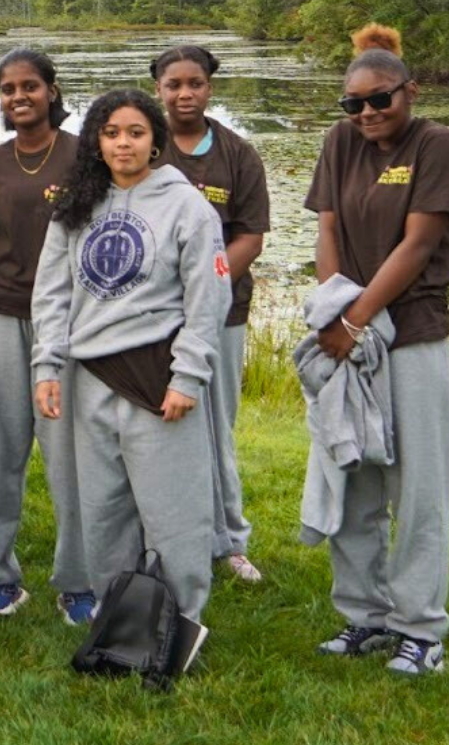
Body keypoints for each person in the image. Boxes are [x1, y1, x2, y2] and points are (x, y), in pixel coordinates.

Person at [30, 88, 230, 630]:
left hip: (156, 377)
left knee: (173, 511)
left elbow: (207, 298)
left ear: (155, 140)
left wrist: (187, 375)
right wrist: (47, 365)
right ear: (97, 139)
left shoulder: (186, 205)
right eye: (113, 133)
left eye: (136, 133)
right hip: (88, 376)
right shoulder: (77, 204)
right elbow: (51, 293)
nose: (124, 143)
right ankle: (116, 617)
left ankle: (180, 620)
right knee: (103, 510)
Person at [305, 25, 449, 677]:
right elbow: (328, 228)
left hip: (411, 335)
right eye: (354, 103)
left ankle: (420, 627)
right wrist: (331, 309)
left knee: (418, 486)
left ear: (409, 90)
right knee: (354, 473)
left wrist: (359, 319)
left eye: (381, 100)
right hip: (348, 337)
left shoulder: (437, 143)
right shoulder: (340, 143)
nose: (367, 113)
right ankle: (364, 613)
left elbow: (418, 243)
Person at [0, 49, 93, 621]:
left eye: (29, 86)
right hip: (4, 317)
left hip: (71, 321)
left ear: (52, 90)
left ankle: (79, 581)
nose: (19, 97)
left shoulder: (86, 156)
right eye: (8, 89)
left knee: (68, 456)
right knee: (4, 450)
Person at [150, 44, 270, 583]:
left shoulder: (236, 154)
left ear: (209, 88)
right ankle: (159, 537)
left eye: (194, 83)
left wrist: (205, 287)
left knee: (217, 424)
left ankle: (229, 541)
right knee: (156, 424)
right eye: (173, 84)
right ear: (158, 89)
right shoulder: (144, 147)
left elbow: (251, 236)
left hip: (221, 313)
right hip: (151, 315)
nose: (184, 94)